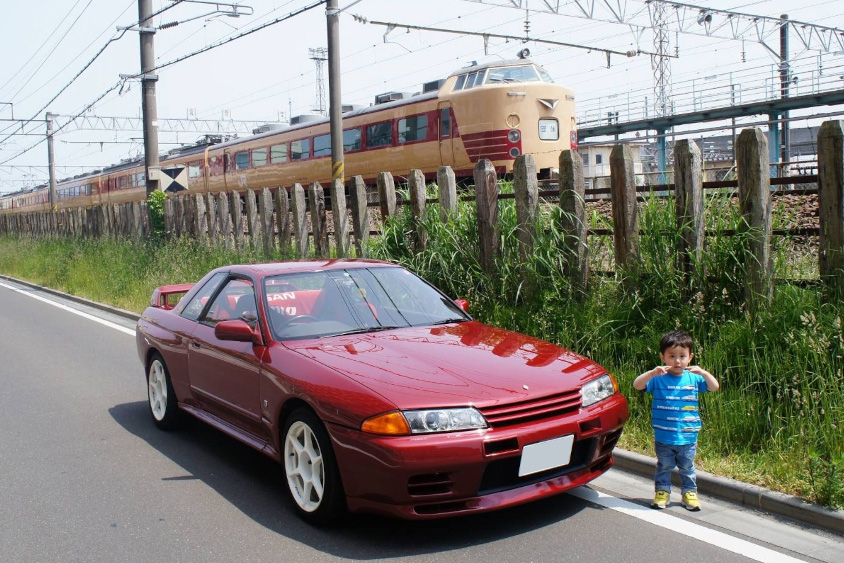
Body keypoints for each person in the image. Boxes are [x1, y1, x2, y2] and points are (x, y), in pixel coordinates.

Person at [633, 330, 719, 511]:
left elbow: (714, 387)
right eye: (672, 356)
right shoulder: (658, 379)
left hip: (688, 436)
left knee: (687, 468)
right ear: (662, 357)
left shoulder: (694, 378)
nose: (677, 361)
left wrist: (704, 373)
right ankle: (662, 492)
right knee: (664, 466)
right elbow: (637, 385)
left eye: (682, 356)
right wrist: (651, 373)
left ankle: (689, 493)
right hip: (664, 435)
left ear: (690, 357)